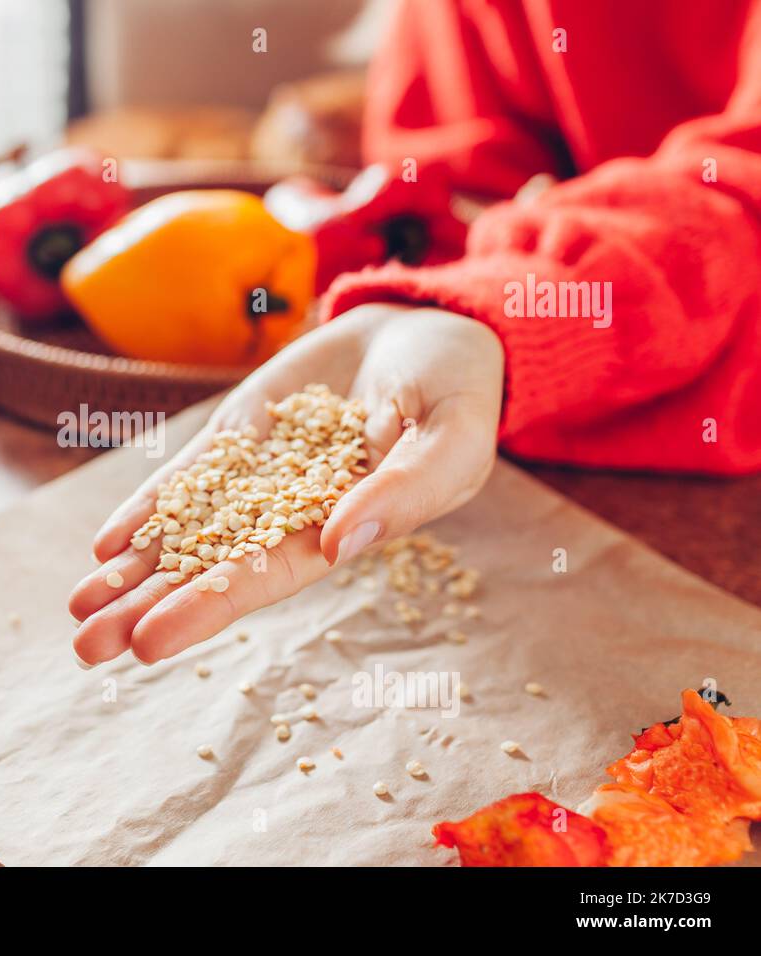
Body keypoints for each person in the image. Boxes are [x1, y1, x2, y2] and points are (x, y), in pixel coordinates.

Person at [70, 0, 761, 667]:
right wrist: (454, 310)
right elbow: (449, 180)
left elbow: (745, 201)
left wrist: (502, 304)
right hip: (548, 419)